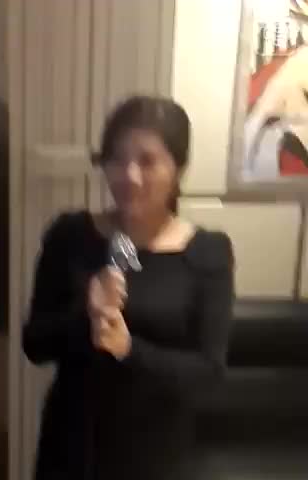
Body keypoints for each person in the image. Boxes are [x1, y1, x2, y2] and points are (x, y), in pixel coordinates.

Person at [23, 95, 235, 480]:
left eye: (147, 161)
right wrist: (86, 316)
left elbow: (209, 373)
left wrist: (129, 349)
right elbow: (34, 344)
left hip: (155, 454)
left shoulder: (208, 253)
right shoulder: (71, 235)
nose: (130, 175)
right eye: (117, 159)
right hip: (72, 447)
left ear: (178, 168)